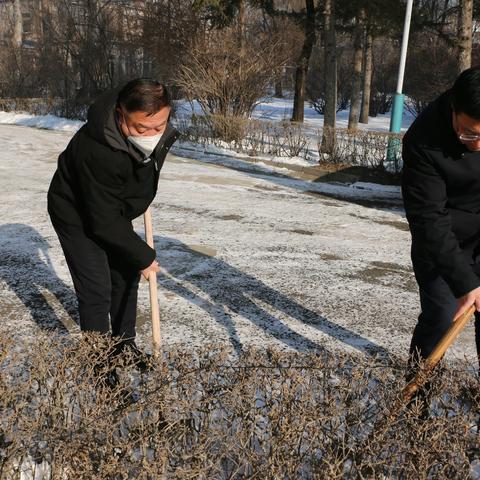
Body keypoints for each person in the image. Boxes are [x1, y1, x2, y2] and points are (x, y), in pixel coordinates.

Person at [47, 78, 179, 376]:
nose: (151, 135)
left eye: (159, 126)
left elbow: (134, 176)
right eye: (141, 128)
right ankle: (99, 363)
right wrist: (144, 256)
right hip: (76, 212)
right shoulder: (97, 150)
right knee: (97, 288)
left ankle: (124, 347)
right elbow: (102, 222)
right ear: (121, 114)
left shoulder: (151, 132)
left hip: (110, 207)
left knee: (125, 273)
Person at [402, 66, 480, 386]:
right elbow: (429, 220)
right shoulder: (423, 141)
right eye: (469, 134)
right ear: (453, 110)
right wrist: (465, 283)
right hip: (442, 242)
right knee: (441, 317)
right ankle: (417, 412)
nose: (477, 146)